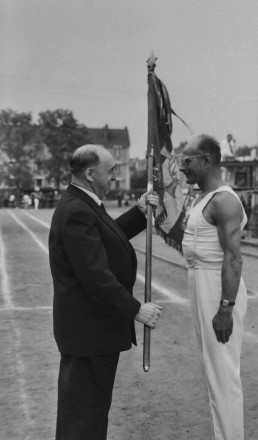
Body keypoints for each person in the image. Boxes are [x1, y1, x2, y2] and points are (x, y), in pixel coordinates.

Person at [49, 144, 162, 440]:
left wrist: (138, 212)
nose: (114, 176)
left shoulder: (83, 203)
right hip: (88, 335)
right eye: (110, 171)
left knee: (87, 414)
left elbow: (108, 235)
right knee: (84, 418)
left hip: (90, 335)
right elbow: (96, 277)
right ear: (89, 174)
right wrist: (136, 310)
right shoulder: (77, 211)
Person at [180, 134, 248, 440]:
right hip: (199, 280)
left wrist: (226, 308)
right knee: (212, 372)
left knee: (223, 373)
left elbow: (233, 258)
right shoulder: (201, 198)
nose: (182, 168)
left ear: (206, 160)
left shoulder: (224, 200)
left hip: (216, 286)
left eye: (187, 160)